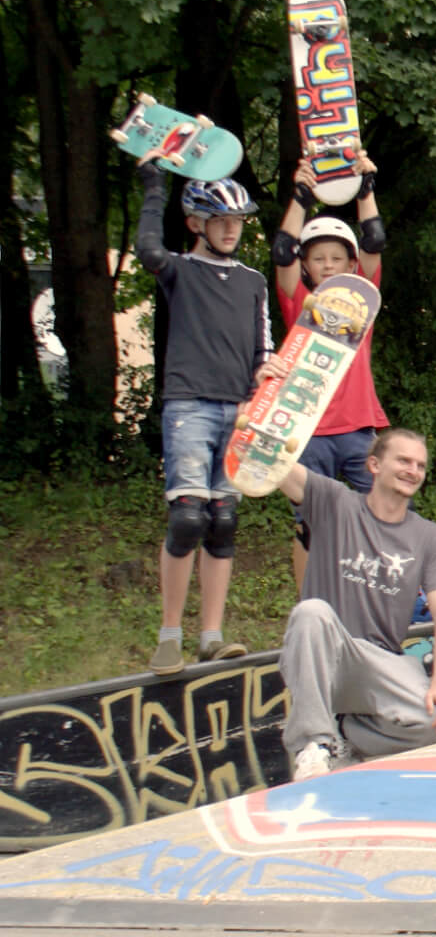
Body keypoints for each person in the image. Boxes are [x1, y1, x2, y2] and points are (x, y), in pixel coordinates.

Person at [134, 156, 270, 674]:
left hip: (237, 410)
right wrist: (153, 185)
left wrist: (263, 380)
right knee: (187, 517)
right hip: (188, 403)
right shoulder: (180, 270)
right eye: (221, 221)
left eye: (237, 221)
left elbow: (262, 349)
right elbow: (147, 248)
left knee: (223, 521)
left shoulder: (253, 281)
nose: (232, 229)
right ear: (197, 223)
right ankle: (169, 636)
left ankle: (211, 636)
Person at [276, 428, 436, 780]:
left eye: (420, 465)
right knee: (311, 612)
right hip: (327, 651)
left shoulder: (429, 536)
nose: (413, 470)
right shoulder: (334, 501)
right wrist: (258, 428)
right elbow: (276, 465)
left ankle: (346, 736)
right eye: (403, 460)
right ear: (374, 464)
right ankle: (314, 744)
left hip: (380, 663)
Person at [272, 154, 388, 588]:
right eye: (318, 258)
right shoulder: (298, 302)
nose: (328, 266)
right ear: (307, 266)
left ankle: (382, 600)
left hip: (359, 427)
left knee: (380, 516)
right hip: (308, 428)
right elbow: (282, 250)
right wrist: (301, 195)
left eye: (337, 258)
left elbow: (374, 239)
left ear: (350, 265)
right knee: (311, 523)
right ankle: (311, 604)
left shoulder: (363, 300)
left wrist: (365, 189)